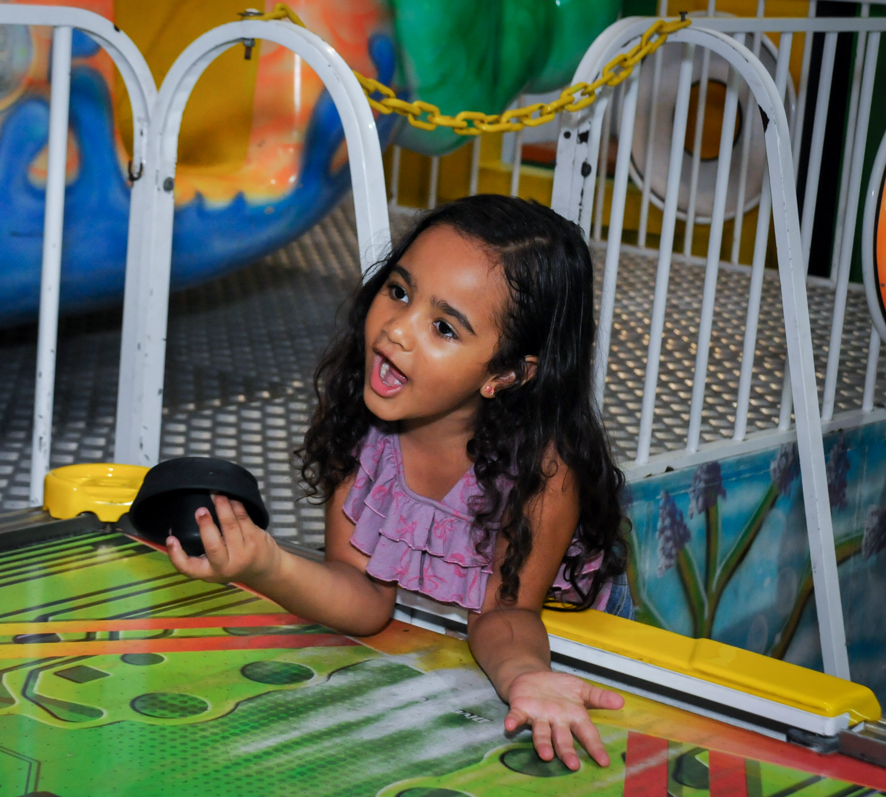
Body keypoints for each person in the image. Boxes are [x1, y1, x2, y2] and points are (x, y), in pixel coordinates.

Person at [164, 194, 632, 771]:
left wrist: (528, 676)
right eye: (399, 291)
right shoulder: (364, 423)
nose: (397, 331)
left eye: (443, 327)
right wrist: (267, 564)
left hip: (565, 637)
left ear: (507, 373)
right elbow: (363, 599)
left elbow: (506, 614)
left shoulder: (543, 469)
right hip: (486, 643)